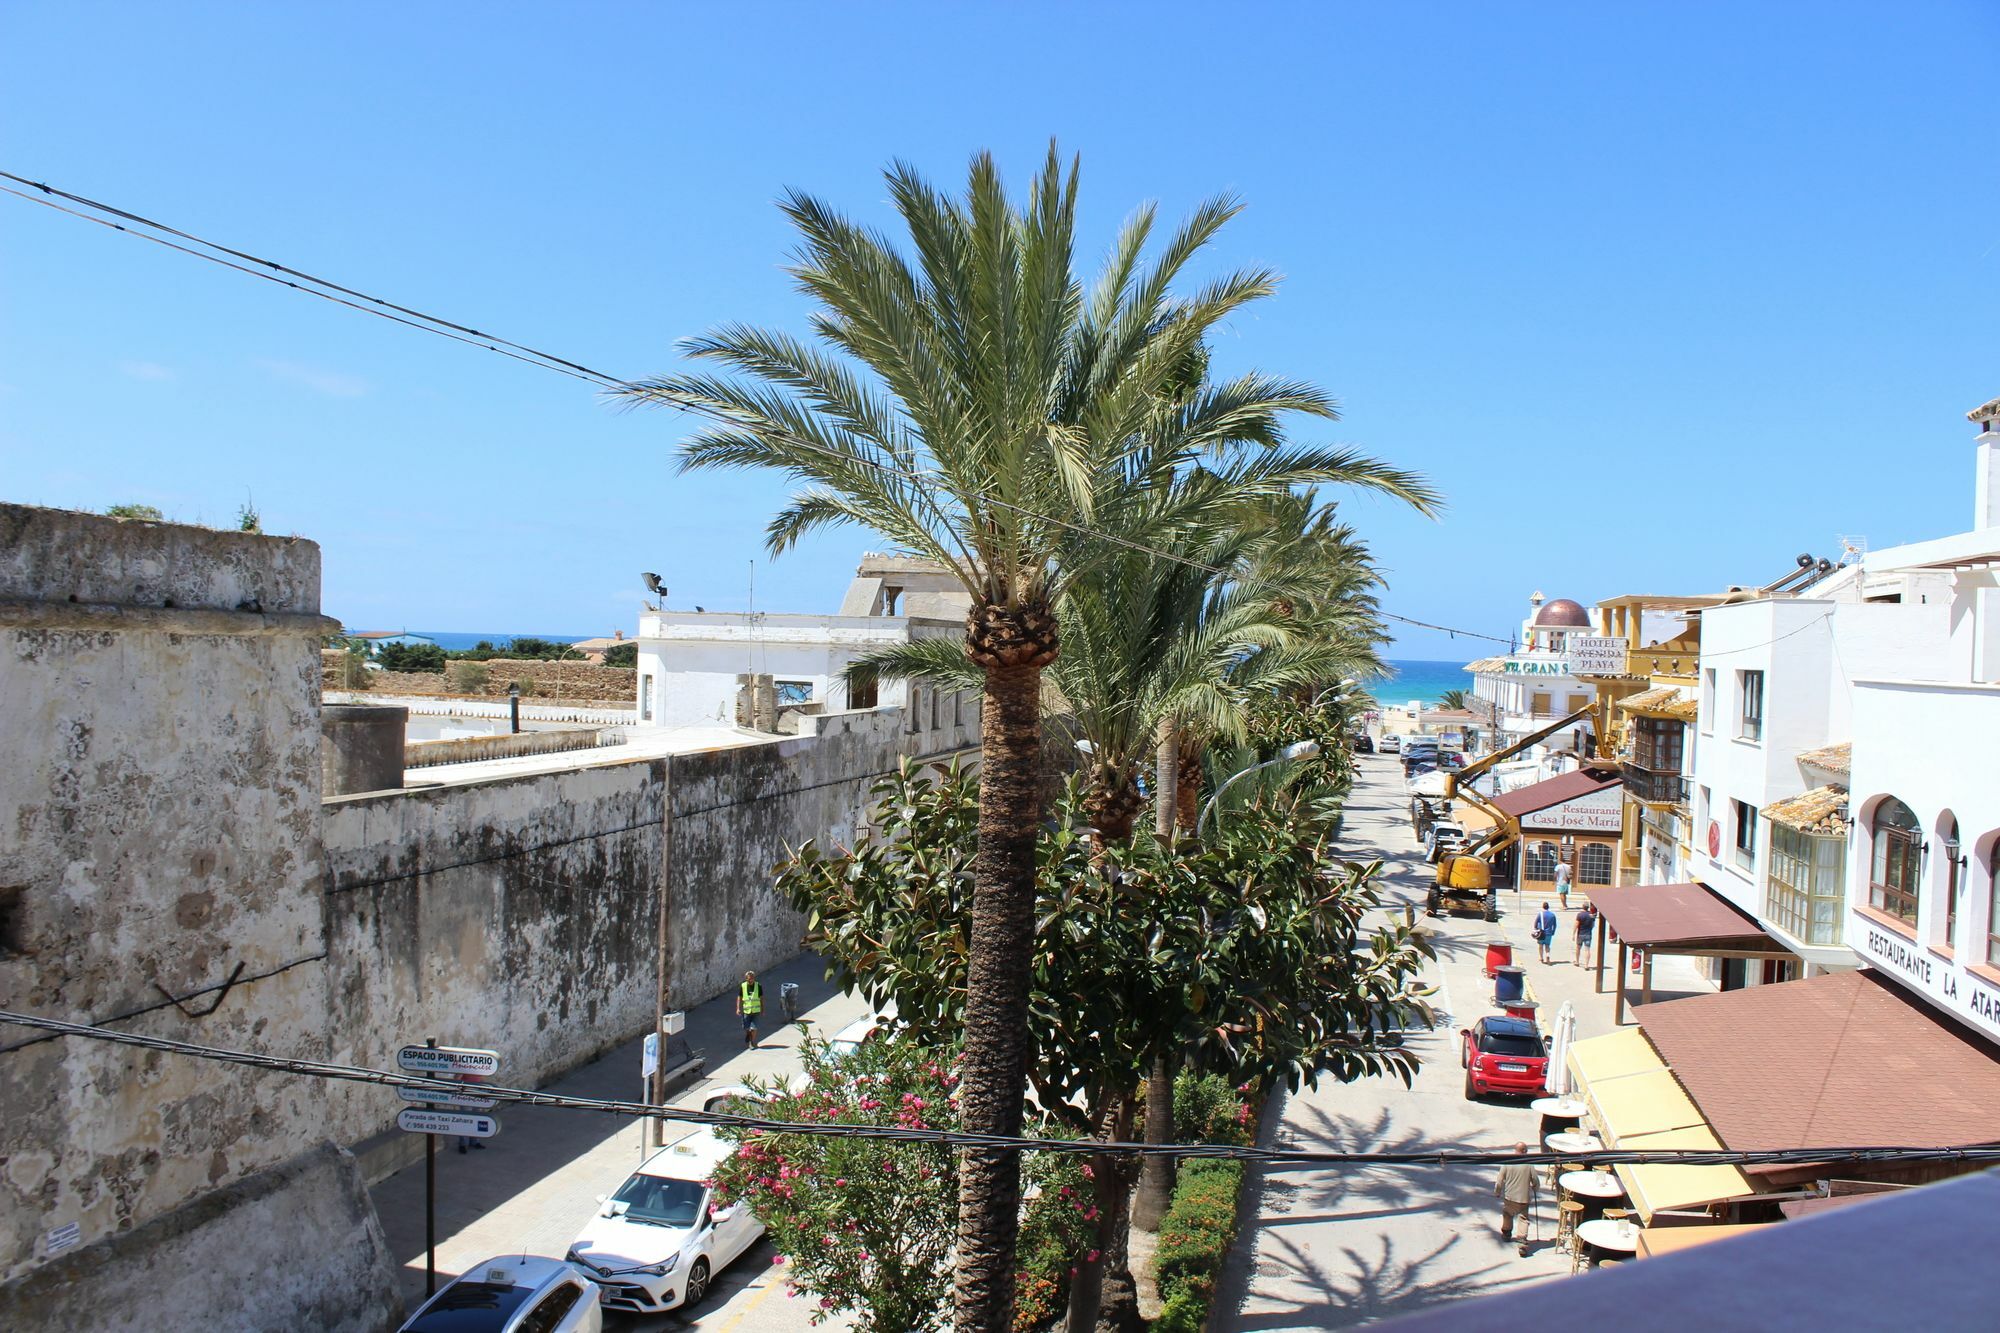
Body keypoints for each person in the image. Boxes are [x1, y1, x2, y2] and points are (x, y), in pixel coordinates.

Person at [1496, 1142, 1536, 1251]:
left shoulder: (1508, 1162)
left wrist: (1497, 1191)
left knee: (1508, 1215)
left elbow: (1499, 1180)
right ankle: (1522, 1241)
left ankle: (1506, 1233)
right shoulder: (1529, 1164)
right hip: (1523, 1198)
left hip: (1510, 1197)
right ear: (1524, 1151)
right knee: (1523, 1219)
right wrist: (1535, 1189)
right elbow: (1535, 1180)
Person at [736, 970, 764, 1050]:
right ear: (746, 979)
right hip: (746, 1011)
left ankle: (751, 1042)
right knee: (746, 1027)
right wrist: (738, 1008)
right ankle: (748, 1034)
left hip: (756, 1011)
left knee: (754, 1028)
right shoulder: (743, 986)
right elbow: (739, 997)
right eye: (748, 979)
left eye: (752, 978)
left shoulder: (758, 986)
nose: (750, 980)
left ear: (754, 978)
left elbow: (761, 998)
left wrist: (762, 1009)